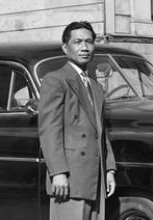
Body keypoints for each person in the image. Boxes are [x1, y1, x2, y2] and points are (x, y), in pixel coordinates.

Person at [38, 21, 116, 220]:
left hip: (94, 177)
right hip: (70, 178)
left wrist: (109, 169)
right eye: (78, 41)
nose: (84, 47)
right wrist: (58, 173)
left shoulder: (95, 87)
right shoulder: (55, 79)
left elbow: (100, 132)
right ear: (65, 47)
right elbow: (49, 130)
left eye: (89, 42)